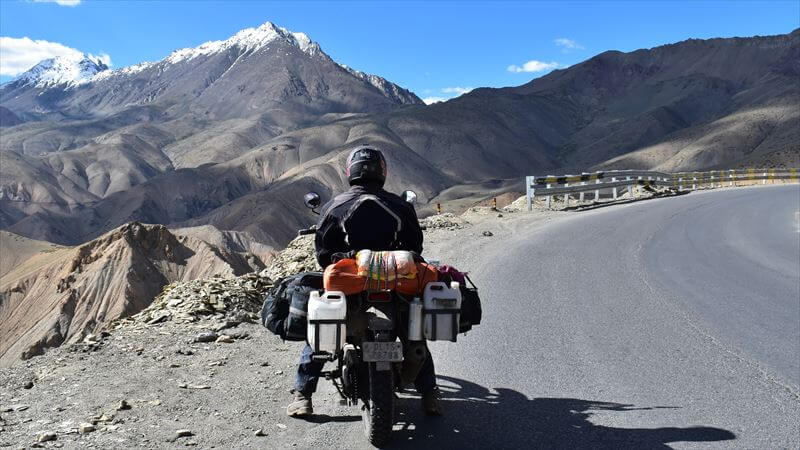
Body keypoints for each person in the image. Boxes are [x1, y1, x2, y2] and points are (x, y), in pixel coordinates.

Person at [287, 145, 442, 417]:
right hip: (395, 284)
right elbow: (415, 247)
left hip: (351, 286)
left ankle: (303, 395)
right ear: (382, 171)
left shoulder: (335, 206)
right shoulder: (400, 206)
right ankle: (430, 394)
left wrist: (347, 258)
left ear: (350, 171)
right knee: (413, 330)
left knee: (322, 326)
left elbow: (323, 255)